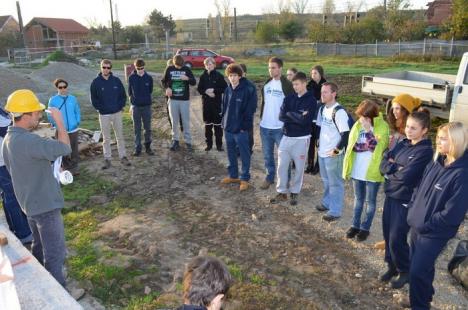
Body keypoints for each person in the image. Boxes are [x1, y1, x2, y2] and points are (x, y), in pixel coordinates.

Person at [2, 89, 71, 287]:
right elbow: (65, 147)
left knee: (39, 246)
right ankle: (59, 296)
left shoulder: (8, 139)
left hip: (29, 204)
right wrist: (59, 122)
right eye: (36, 112)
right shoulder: (29, 141)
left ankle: (41, 282)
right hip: (45, 206)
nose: (39, 115)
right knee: (55, 254)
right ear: (25, 115)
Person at [406, 122, 468, 310]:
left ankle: (420, 305)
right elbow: (419, 187)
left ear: (456, 142)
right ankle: (423, 297)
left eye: (443, 139)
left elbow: (452, 213)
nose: (437, 141)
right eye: (438, 137)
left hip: (434, 232)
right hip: (417, 226)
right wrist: (412, 209)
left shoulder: (462, 174)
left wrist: (426, 224)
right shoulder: (437, 162)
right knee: (421, 267)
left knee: (417, 271)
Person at [378, 108, 433, 289]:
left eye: (414, 128)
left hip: (406, 199)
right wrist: (394, 168)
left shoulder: (424, 152)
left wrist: (392, 170)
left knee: (396, 237)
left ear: (424, 130)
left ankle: (405, 270)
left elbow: (407, 177)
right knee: (387, 233)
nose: (409, 131)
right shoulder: (403, 143)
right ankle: (391, 265)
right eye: (408, 126)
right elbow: (384, 160)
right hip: (391, 195)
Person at [374, 93, 421, 250]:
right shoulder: (397, 127)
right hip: (392, 177)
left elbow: (405, 166)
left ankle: (394, 244)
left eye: (398, 108)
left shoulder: (409, 132)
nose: (394, 111)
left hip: (402, 185)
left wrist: (392, 164)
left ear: (406, 110)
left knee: (399, 218)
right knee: (389, 215)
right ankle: (388, 241)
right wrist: (391, 163)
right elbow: (388, 155)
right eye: (393, 108)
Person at [342, 99, 389, 241]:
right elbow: (352, 146)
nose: (361, 119)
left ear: (372, 116)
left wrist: (369, 131)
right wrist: (367, 146)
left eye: (364, 116)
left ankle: (365, 228)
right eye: (360, 116)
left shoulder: (382, 127)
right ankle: (355, 225)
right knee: (358, 200)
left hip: (372, 172)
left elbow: (377, 148)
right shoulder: (357, 125)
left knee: (370, 202)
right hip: (358, 170)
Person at [269, 72, 316, 206]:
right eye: (293, 84)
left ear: (304, 83)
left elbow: (305, 122)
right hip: (286, 137)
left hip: (302, 139)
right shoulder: (289, 98)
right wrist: (296, 115)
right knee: (282, 165)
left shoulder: (311, 101)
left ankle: (295, 192)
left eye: (297, 84)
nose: (294, 87)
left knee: (299, 168)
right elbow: (281, 116)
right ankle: (282, 192)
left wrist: (290, 115)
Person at [316, 82, 350, 222]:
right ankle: (327, 202)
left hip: (333, 155)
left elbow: (346, 134)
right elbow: (320, 127)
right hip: (322, 152)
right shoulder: (323, 108)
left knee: (335, 183)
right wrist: (318, 144)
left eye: (325, 92)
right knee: (326, 181)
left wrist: (336, 150)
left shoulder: (339, 112)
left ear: (334, 93)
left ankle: (335, 211)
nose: (322, 94)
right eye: (321, 92)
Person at [220, 64, 257, 191]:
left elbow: (250, 110)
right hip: (228, 128)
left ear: (240, 76)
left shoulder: (248, 89)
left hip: (241, 130)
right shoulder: (228, 89)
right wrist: (223, 122)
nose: (233, 78)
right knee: (231, 152)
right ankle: (233, 176)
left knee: (244, 154)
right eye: (230, 76)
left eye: (235, 75)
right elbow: (224, 107)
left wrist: (244, 127)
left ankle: (245, 178)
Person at [259, 57, 294, 190]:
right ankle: (269, 177)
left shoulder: (287, 86)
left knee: (284, 157)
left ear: (280, 68)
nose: (270, 70)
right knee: (268, 156)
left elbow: (292, 106)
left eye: (273, 67)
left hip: (280, 128)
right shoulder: (267, 85)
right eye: (269, 67)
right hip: (265, 127)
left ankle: (285, 181)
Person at [90, 59, 131, 169]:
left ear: (111, 68)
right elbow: (94, 99)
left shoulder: (116, 81)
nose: (106, 69)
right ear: (101, 68)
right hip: (104, 115)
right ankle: (107, 159)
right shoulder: (96, 82)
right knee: (106, 138)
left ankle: (123, 156)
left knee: (120, 136)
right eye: (104, 67)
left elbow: (123, 96)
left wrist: (120, 107)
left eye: (108, 67)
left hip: (117, 113)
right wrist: (101, 109)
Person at [0, 107, 32, 245]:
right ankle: (23, 233)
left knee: (8, 195)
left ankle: (17, 227)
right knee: (12, 195)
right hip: (2, 162)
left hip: (5, 158)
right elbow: (8, 130)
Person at [162, 54, 196, 151]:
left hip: (184, 100)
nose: (179, 68)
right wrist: (167, 88)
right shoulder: (169, 69)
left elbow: (194, 82)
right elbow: (163, 81)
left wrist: (187, 79)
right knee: (174, 121)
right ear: (173, 63)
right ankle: (175, 141)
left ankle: (188, 142)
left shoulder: (187, 69)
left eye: (180, 66)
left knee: (185, 121)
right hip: (173, 100)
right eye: (177, 66)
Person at [47, 78, 81, 173]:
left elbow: (77, 110)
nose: (63, 89)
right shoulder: (53, 100)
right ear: (57, 88)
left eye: (64, 87)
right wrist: (56, 125)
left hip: (73, 129)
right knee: (63, 149)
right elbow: (49, 114)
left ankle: (75, 168)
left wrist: (77, 121)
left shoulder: (72, 98)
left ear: (67, 87)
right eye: (60, 87)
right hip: (61, 130)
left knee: (74, 149)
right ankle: (66, 168)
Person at [197, 57, 227, 152]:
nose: (209, 66)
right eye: (207, 65)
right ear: (205, 66)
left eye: (210, 64)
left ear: (214, 65)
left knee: (218, 126)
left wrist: (214, 90)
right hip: (206, 105)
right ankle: (209, 145)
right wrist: (206, 92)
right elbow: (199, 89)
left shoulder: (219, 76)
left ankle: (219, 145)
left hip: (216, 105)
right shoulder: (203, 76)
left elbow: (225, 88)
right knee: (208, 126)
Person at [128, 58, 154, 156]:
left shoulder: (149, 78)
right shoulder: (131, 78)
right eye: (138, 68)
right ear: (135, 67)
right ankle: (137, 148)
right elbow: (129, 92)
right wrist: (132, 105)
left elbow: (150, 90)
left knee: (147, 128)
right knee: (137, 128)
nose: (140, 70)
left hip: (147, 106)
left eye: (142, 68)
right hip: (136, 107)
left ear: (144, 67)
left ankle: (148, 147)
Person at [305, 65, 326, 174]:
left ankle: (318, 165)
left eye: (315, 73)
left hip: (322, 119)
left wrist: (320, 102)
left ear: (320, 74)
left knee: (320, 143)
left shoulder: (326, 85)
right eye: (312, 73)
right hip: (311, 119)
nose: (313, 75)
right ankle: (310, 164)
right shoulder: (309, 86)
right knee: (311, 143)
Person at [239, 63, 256, 154]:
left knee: (248, 132)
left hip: (247, 114)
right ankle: (238, 149)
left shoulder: (250, 86)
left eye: (241, 72)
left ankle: (249, 149)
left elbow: (253, 102)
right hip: (236, 114)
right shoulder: (234, 85)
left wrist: (248, 113)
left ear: (245, 73)